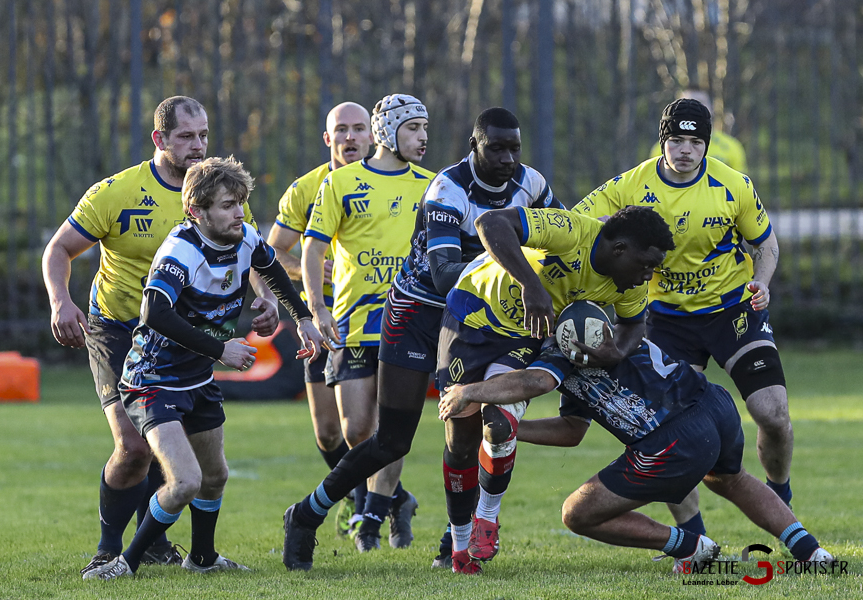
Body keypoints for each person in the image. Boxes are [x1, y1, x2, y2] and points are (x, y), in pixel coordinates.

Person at [281, 107, 562, 571]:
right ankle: (305, 516)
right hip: (418, 312)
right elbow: (444, 271)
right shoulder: (448, 189)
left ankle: (457, 541)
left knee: (467, 433)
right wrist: (522, 280)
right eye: (497, 148)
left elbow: (559, 241)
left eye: (515, 147)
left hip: (476, 320)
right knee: (391, 441)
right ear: (475, 146)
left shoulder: (532, 183)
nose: (508, 158)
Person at [42, 96, 279, 574]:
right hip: (118, 326)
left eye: (204, 135)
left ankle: (158, 547)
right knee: (133, 445)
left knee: (179, 452)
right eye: (186, 136)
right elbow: (59, 249)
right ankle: (110, 551)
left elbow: (249, 250)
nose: (198, 145)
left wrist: (267, 297)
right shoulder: (117, 191)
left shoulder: (218, 189)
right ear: (160, 139)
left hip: (184, 335)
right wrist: (59, 301)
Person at [82, 156, 323, 580]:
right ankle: (125, 563)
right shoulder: (182, 250)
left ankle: (203, 558)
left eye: (242, 203)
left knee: (215, 475)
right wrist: (220, 350)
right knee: (185, 482)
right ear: (196, 211)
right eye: (229, 205)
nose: (240, 213)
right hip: (153, 379)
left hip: (198, 377)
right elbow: (155, 313)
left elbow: (271, 267)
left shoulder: (244, 236)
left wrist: (303, 318)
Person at [437, 320, 834, 572]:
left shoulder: (566, 330)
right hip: (715, 405)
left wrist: (470, 392)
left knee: (577, 513)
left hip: (674, 436)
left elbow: (535, 382)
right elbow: (573, 429)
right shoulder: (594, 319)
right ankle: (811, 552)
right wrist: (511, 428)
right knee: (731, 479)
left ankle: (691, 547)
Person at [573, 97, 791, 539]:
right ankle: (694, 539)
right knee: (673, 432)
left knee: (772, 411)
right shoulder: (629, 186)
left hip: (732, 309)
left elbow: (766, 246)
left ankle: (780, 494)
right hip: (666, 320)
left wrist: (763, 283)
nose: (685, 150)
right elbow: (578, 226)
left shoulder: (734, 185)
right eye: (676, 140)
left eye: (695, 141)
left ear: (708, 145)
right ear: (662, 142)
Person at [437, 205, 674, 573]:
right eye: (645, 264)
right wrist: (531, 285)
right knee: (460, 442)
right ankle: (457, 540)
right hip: (471, 312)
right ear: (619, 249)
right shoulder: (571, 232)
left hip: (525, 339)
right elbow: (490, 222)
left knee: (498, 425)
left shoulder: (630, 284)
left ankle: (486, 518)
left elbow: (632, 326)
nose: (648, 275)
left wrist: (612, 353)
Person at [294, 94, 433, 555]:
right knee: (356, 432)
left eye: (425, 128)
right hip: (353, 324)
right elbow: (311, 250)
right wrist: (317, 308)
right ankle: (397, 501)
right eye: (413, 129)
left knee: (391, 430)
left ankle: (371, 519)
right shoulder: (340, 183)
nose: (423, 138)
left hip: (408, 324)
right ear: (387, 132)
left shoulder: (434, 187)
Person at [267, 101, 374, 536]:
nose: (350, 137)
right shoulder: (307, 188)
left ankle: (372, 506)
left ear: (372, 136)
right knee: (329, 433)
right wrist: (305, 268)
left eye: (359, 129)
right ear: (328, 139)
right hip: (319, 320)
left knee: (364, 427)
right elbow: (272, 251)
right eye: (341, 130)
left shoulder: (392, 182)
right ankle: (376, 497)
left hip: (370, 320)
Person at [649, 88, 748, 173]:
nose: (692, 109)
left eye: (700, 102)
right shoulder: (661, 149)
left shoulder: (731, 146)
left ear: (712, 108)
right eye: (686, 102)